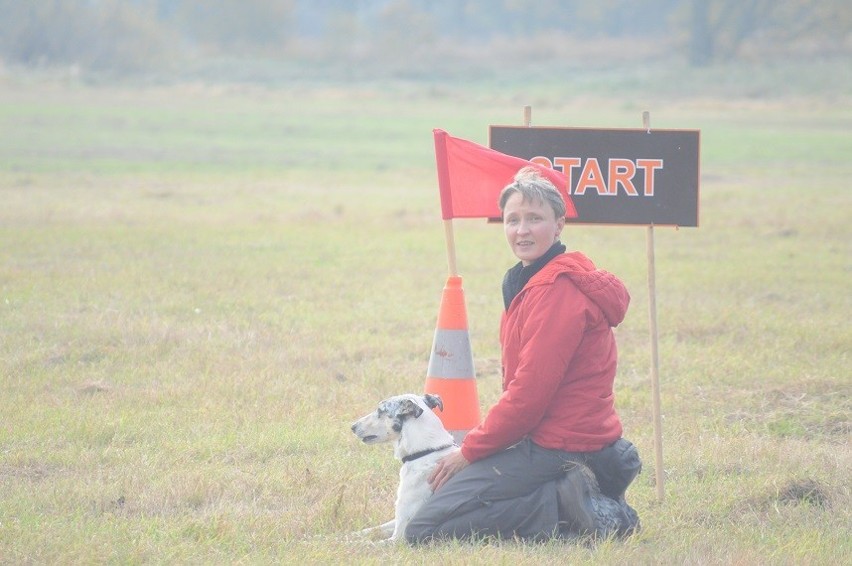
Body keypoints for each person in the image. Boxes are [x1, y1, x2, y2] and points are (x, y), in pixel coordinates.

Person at [405, 167, 642, 543]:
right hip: (557, 437)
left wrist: (470, 450)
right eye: (512, 220)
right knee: (445, 499)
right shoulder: (532, 280)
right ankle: (568, 493)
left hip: (560, 443)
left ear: (559, 224)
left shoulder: (556, 291)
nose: (522, 230)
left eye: (535, 219)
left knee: (424, 529)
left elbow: (528, 395)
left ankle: (572, 506)